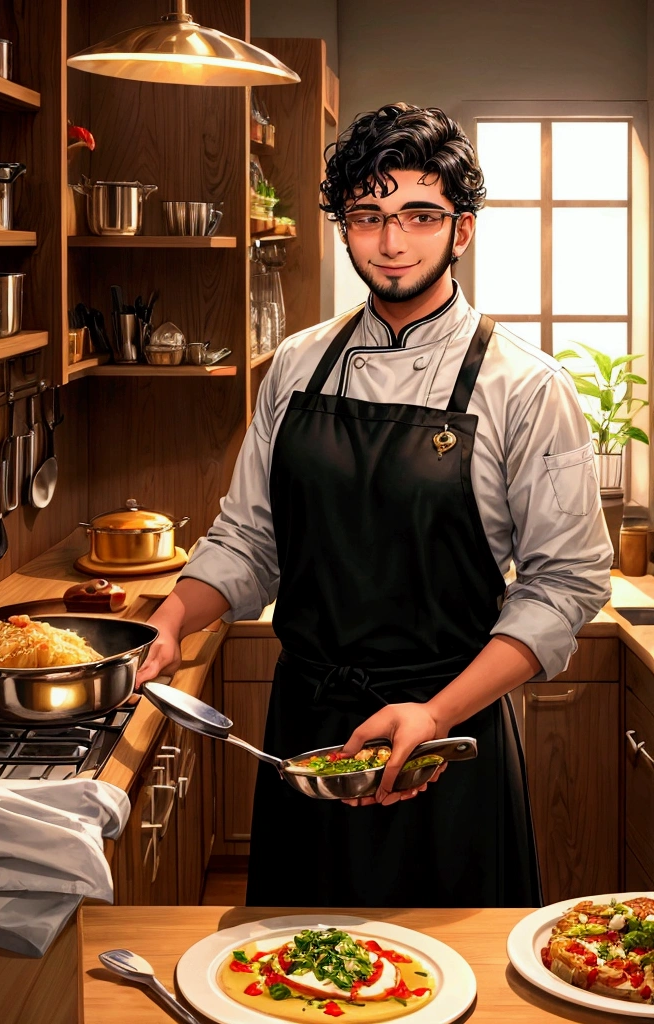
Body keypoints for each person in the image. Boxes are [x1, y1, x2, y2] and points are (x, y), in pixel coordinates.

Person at [137, 103, 613, 908]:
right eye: (368, 216)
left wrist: (434, 713)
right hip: (308, 732)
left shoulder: (527, 385)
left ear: (460, 231)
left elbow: (564, 586)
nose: (391, 242)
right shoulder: (296, 365)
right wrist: (173, 617)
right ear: (345, 229)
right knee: (290, 972)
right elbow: (251, 539)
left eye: (418, 215)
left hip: (447, 736)